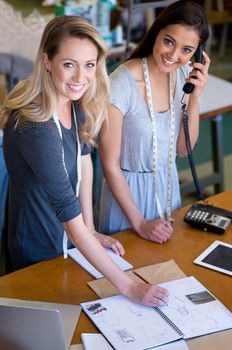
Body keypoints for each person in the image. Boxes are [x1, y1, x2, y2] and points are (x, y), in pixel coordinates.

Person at [0, 15, 168, 307]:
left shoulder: (72, 102)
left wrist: (90, 229)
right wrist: (129, 288)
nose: (81, 78)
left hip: (72, 242)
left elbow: (84, 163)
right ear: (47, 61)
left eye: (89, 65)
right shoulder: (35, 126)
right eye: (69, 64)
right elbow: (70, 220)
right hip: (39, 251)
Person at [98, 0, 210, 242]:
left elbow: (183, 149)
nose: (173, 55)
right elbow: (109, 165)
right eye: (169, 41)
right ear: (156, 33)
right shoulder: (120, 85)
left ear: (198, 54)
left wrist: (196, 97)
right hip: (127, 202)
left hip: (168, 192)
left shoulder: (181, 77)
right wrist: (139, 223)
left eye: (187, 50)